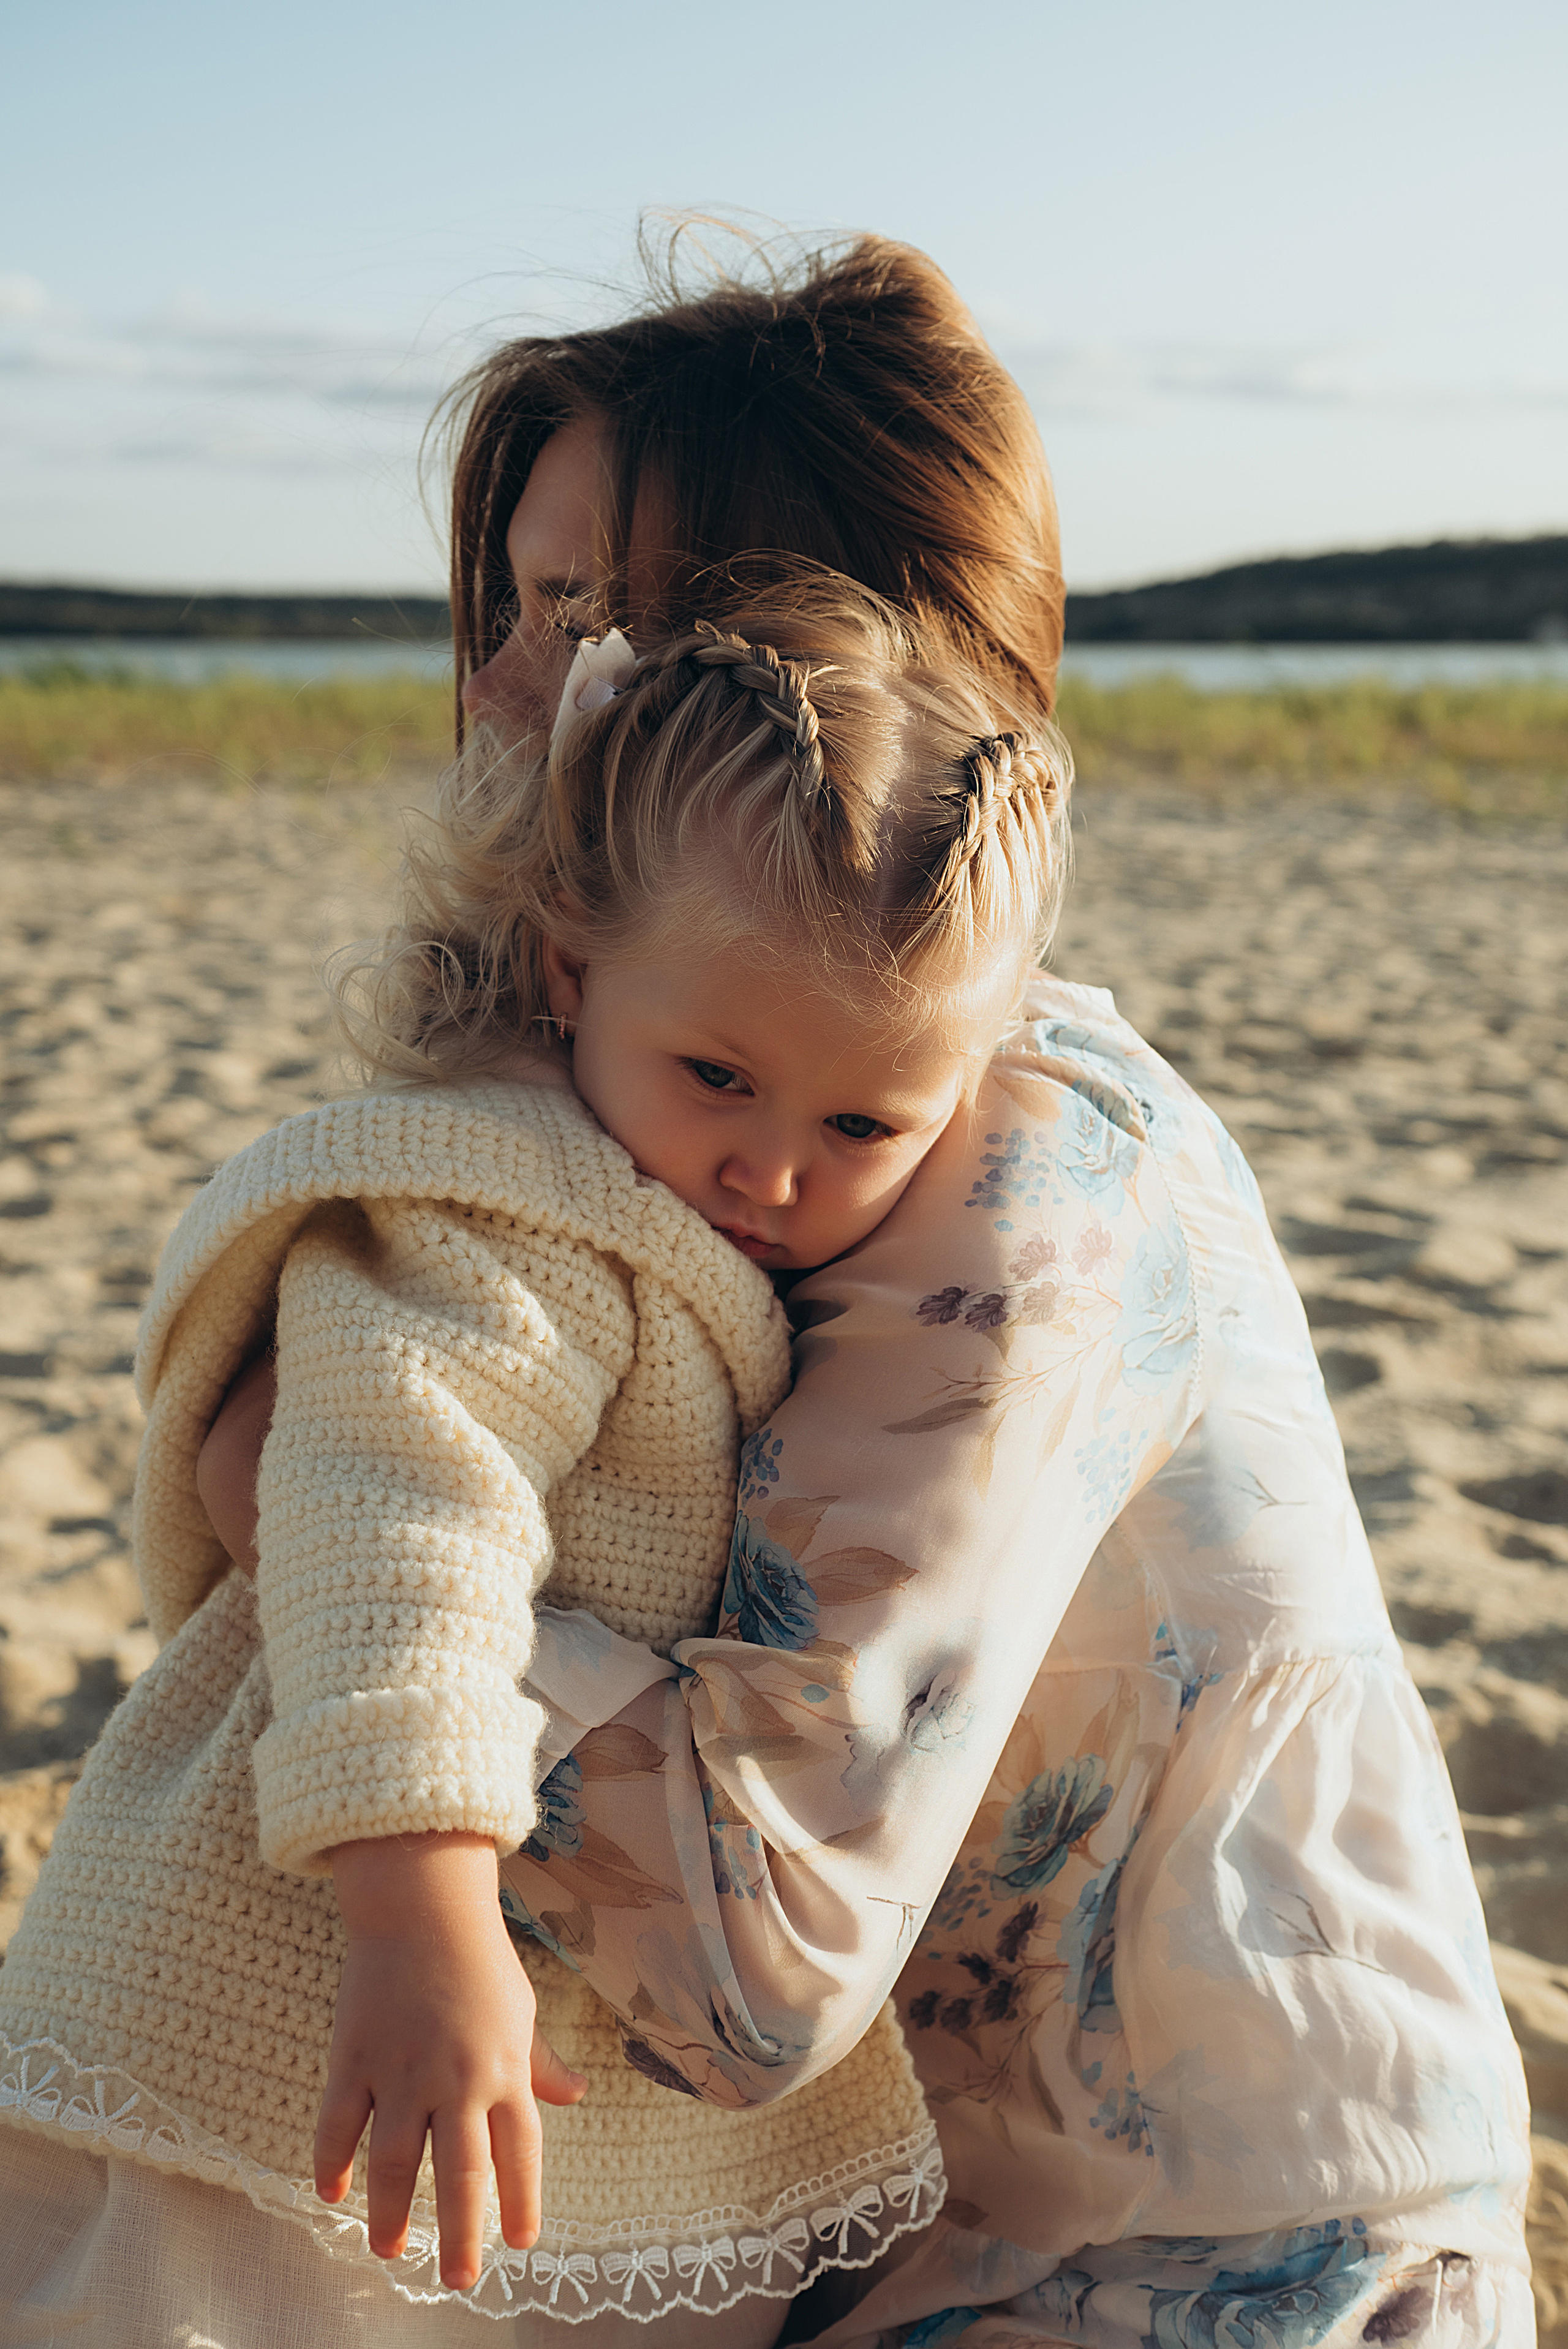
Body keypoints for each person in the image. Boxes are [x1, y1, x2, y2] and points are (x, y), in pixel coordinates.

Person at [2, 232, 1533, 2349]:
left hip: (1183, 2284)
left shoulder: (1024, 1173)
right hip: (888, 2247)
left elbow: (753, 1965)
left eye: (579, 617)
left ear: (811, 669)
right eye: (511, 609)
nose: (498, 688)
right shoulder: (718, 1100)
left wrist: (316, 1514)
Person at [0, 583, 1066, 2343]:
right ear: (572, 971)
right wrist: (420, 1916)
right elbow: (390, 1510)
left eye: (863, 1121)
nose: (774, 1169)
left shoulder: (729, 1221)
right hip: (330, 1952)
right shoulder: (520, 1210)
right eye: (715, 1072)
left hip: (550, 2010)